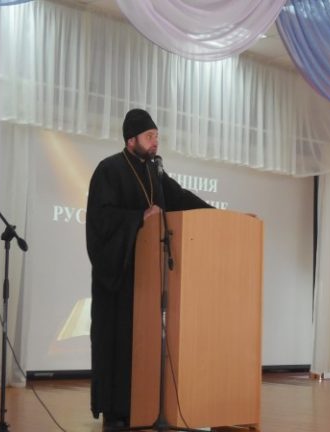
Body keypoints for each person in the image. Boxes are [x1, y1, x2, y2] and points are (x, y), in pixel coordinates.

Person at [85, 108, 213, 428]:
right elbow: (100, 220)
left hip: (149, 281)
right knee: (117, 345)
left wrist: (216, 215)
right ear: (131, 140)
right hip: (119, 278)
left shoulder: (154, 173)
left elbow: (180, 198)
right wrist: (138, 218)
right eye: (149, 136)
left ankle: (147, 409)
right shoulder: (109, 170)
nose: (155, 141)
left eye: (157, 136)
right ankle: (116, 412)